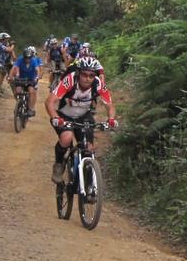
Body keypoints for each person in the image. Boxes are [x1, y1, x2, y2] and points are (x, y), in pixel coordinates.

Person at [45, 55, 116, 183]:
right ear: (78, 73)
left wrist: (111, 119)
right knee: (66, 138)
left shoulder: (98, 84)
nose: (87, 79)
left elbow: (109, 105)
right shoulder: (69, 80)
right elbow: (50, 101)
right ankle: (58, 164)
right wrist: (55, 117)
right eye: (84, 75)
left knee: (89, 148)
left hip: (83, 116)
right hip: (64, 115)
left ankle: (89, 183)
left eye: (91, 75)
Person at [9, 45, 43, 115]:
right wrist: (10, 77)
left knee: (31, 91)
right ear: (23, 57)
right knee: (17, 91)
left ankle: (30, 108)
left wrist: (37, 77)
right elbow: (13, 68)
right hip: (21, 78)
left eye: (29, 58)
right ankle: (19, 103)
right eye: (26, 58)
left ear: (31, 57)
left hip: (31, 79)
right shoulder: (20, 59)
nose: (27, 60)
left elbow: (37, 70)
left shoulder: (34, 61)